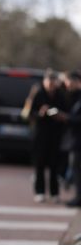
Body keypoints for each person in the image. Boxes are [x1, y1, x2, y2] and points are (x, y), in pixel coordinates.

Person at [29, 69, 67, 202]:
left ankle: (54, 192)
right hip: (40, 135)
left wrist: (59, 115)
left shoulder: (60, 95)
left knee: (54, 165)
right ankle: (39, 192)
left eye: (53, 81)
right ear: (44, 81)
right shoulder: (38, 94)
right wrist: (40, 113)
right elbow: (30, 114)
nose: (51, 84)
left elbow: (65, 112)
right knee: (39, 164)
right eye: (48, 81)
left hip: (55, 135)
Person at [54, 71, 81, 207]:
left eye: (70, 82)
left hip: (78, 141)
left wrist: (67, 118)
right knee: (75, 169)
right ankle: (77, 196)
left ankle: (78, 197)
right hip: (74, 140)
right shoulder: (72, 96)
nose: (67, 84)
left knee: (76, 169)